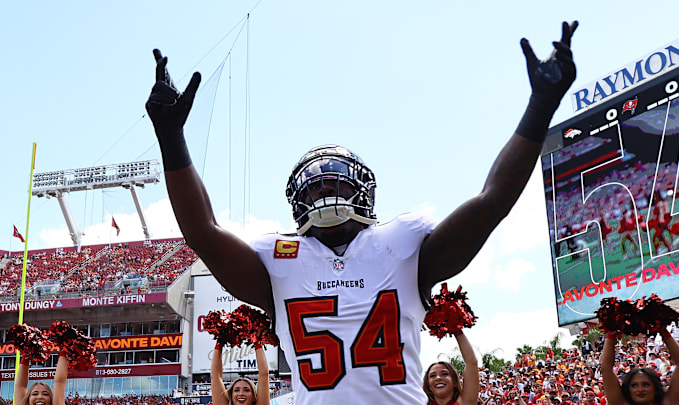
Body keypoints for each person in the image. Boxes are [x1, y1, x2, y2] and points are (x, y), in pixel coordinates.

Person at [146, 20, 579, 404]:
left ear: (363, 193)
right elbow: (201, 231)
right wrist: (171, 136)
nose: (323, 193)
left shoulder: (402, 246)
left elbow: (491, 204)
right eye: (314, 187)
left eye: (333, 183)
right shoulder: (279, 263)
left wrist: (540, 107)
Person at [600, 329, 679, 405]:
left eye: (646, 384)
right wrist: (611, 332)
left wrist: (663, 331)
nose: (640, 389)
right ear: (628, 389)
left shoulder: (669, 402)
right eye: (634, 385)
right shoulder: (620, 403)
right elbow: (606, 368)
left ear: (655, 387)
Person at [422, 332, 478, 405]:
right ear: (428, 385)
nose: (438, 378)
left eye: (444, 374)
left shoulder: (465, 402)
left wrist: (456, 329)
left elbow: (471, 362)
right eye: (432, 376)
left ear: (454, 381)